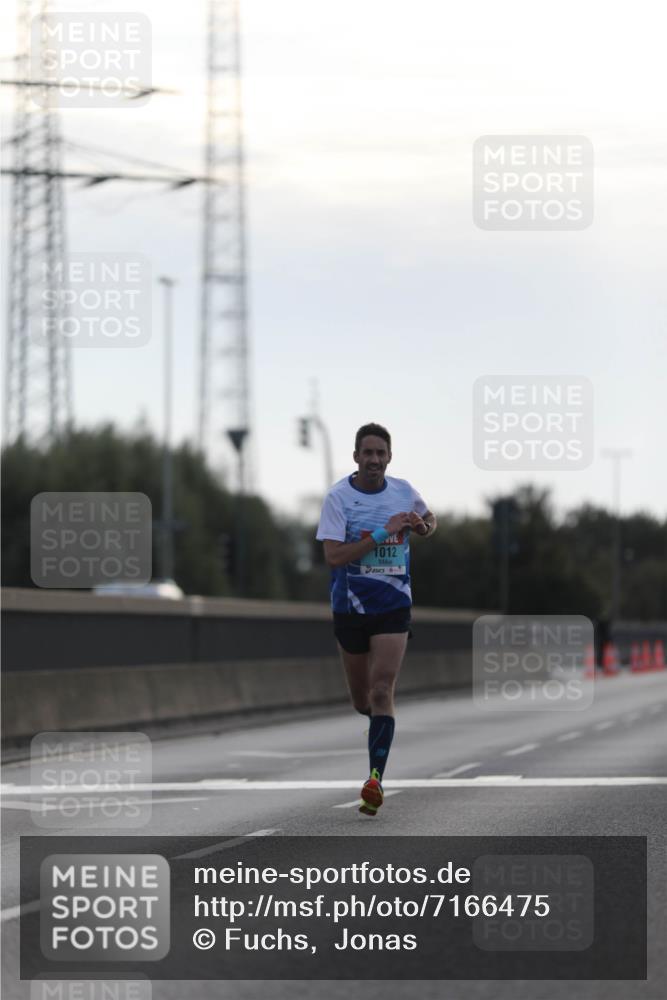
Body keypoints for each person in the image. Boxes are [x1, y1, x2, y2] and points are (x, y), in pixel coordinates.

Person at [316, 422, 436, 815]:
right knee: (363, 700)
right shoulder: (339, 498)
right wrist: (383, 534)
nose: (374, 460)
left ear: (389, 457)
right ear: (356, 457)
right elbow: (333, 557)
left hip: (393, 605)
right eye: (367, 453)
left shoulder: (403, 491)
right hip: (350, 608)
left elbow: (430, 520)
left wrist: (422, 527)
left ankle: (374, 781)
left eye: (380, 453)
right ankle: (378, 727)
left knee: (383, 690)